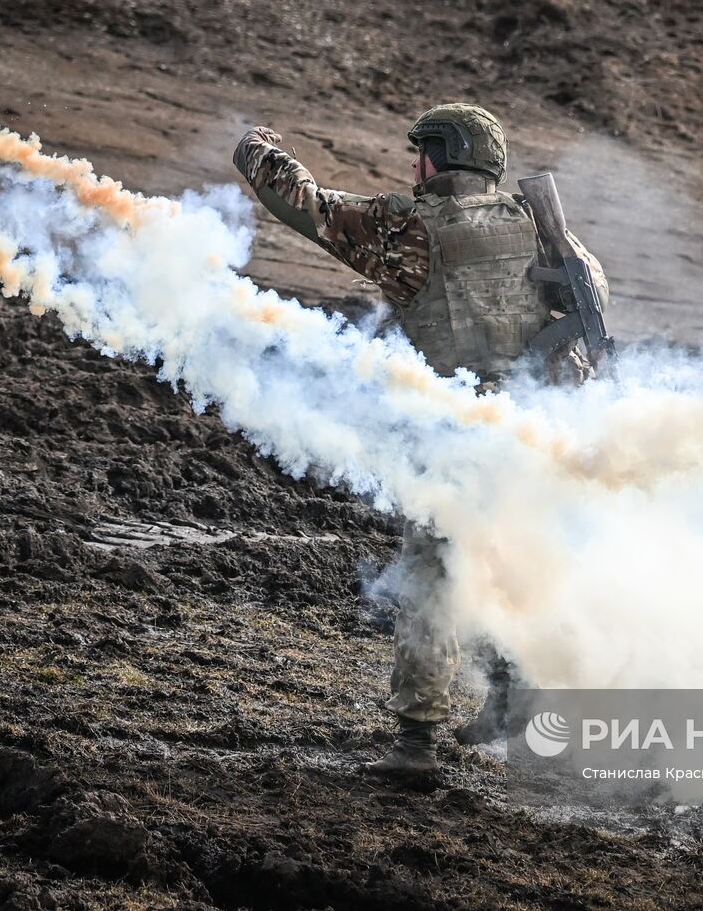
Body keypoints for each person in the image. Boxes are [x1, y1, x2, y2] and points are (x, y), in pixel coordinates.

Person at [233, 103, 607, 776]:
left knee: (431, 572)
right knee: (502, 553)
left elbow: (309, 208)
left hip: (452, 428)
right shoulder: (537, 227)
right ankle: (511, 692)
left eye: (420, 154)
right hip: (529, 428)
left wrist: (255, 153)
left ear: (441, 154)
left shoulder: (410, 226)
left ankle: (415, 743)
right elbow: (589, 299)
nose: (413, 167)